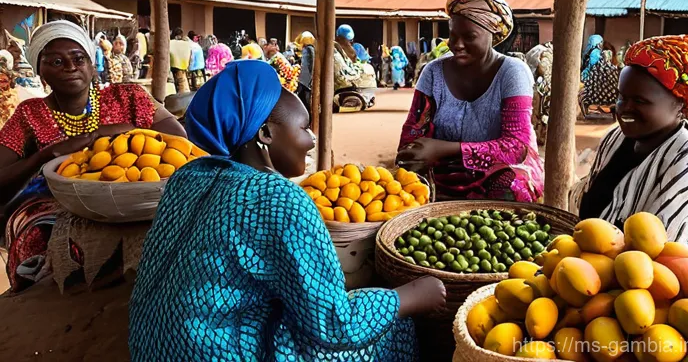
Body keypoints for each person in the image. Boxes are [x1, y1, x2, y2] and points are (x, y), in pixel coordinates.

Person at [129, 60, 445, 361]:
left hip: (150, 345)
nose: (311, 139)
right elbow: (334, 326)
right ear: (265, 134)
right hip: (214, 352)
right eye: (304, 127)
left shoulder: (188, 175)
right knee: (393, 327)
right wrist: (412, 296)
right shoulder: (277, 198)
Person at [0, 20, 186, 291]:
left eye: (78, 58)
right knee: (39, 235)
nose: (71, 67)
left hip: (135, 196)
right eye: (56, 61)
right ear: (40, 70)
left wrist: (121, 131)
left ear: (92, 64)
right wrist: (45, 155)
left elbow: (178, 140)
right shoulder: (30, 113)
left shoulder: (128, 96)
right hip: (55, 202)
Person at [570, 35, 688, 243]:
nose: (624, 108)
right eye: (622, 97)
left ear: (679, 104)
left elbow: (660, 251)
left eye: (640, 101)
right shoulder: (614, 138)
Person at [396, 0, 544, 202]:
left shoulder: (512, 72)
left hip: (496, 175)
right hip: (443, 173)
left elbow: (516, 147)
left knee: (511, 183)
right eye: (453, 35)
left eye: (469, 36)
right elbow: (412, 133)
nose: (457, 45)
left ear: (492, 34)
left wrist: (443, 149)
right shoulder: (433, 72)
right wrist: (413, 153)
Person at [578, 49, 621, 118]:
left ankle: (585, 115)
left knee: (581, 94)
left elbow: (589, 84)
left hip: (594, 99)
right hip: (611, 100)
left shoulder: (595, 68)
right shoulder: (614, 70)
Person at [295, 31, 315, 117]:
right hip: (305, 80)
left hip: (305, 81)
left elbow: (309, 65)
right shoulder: (310, 49)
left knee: (305, 102)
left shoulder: (308, 49)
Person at [169, 28, 193, 93]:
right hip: (184, 66)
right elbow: (191, 55)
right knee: (183, 83)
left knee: (177, 85)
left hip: (173, 66)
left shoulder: (170, 42)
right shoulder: (187, 43)